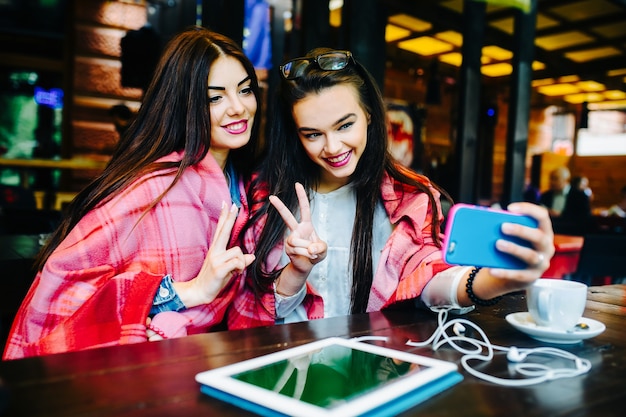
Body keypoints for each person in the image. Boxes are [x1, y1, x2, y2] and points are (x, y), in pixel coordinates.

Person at [227, 48, 555, 328]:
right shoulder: (262, 195)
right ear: (295, 135)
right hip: (281, 368)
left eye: (345, 125)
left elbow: (425, 279)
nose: (333, 146)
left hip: (372, 368)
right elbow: (251, 312)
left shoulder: (407, 196)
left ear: (369, 115)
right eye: (313, 134)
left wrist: (494, 281)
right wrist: (297, 272)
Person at [3, 27, 260, 360]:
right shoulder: (153, 187)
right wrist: (189, 291)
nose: (238, 107)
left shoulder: (251, 184)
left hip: (217, 362)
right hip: (150, 369)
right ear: (184, 104)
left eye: (245, 90)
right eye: (215, 97)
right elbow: (63, 286)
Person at [539, 167, 592, 234]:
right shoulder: (545, 195)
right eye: (551, 178)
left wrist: (561, 215)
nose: (551, 182)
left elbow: (584, 219)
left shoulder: (580, 196)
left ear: (566, 180)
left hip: (572, 234)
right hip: (549, 233)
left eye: (555, 179)